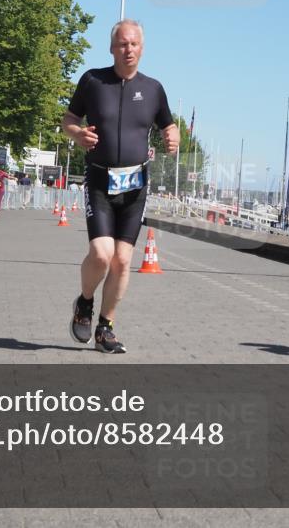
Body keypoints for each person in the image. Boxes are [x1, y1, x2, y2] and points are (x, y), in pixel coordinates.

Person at [62, 19, 179, 353]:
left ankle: (105, 328)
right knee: (101, 254)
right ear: (112, 48)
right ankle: (84, 303)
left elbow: (169, 127)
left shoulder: (154, 88)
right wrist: (77, 133)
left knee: (123, 261)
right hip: (99, 180)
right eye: (122, 44)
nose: (128, 50)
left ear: (142, 48)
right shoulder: (92, 81)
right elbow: (68, 120)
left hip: (135, 187)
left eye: (134, 44)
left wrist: (173, 137)